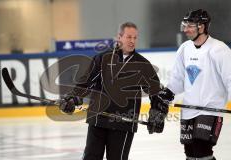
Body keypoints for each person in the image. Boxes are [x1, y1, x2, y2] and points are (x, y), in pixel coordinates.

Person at [58, 22, 166, 160]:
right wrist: (72, 98)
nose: (132, 41)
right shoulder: (102, 58)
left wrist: (158, 112)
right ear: (119, 37)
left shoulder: (143, 65)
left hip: (124, 123)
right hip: (98, 119)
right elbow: (85, 83)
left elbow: (156, 92)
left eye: (135, 38)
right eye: (129, 37)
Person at [151, 9, 231, 160]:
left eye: (190, 26)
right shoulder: (184, 48)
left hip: (210, 110)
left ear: (202, 27)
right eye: (184, 25)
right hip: (188, 109)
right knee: (190, 154)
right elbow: (178, 80)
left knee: (202, 151)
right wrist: (166, 94)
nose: (185, 30)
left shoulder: (219, 50)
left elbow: (230, 79)